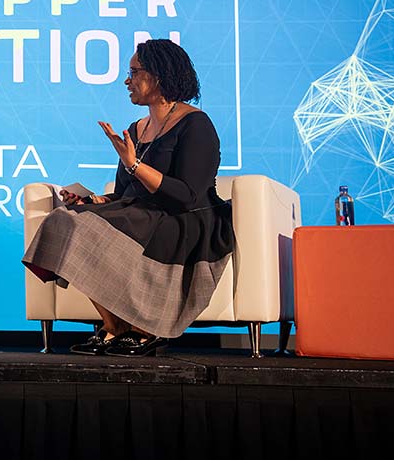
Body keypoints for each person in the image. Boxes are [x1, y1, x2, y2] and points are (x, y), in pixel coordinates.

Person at [22, 39, 235, 357]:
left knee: (88, 225)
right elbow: (124, 195)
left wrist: (134, 164)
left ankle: (145, 329)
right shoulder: (136, 129)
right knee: (65, 219)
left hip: (186, 220)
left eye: (134, 72)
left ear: (159, 76)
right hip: (142, 212)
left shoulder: (196, 124)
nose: (127, 80)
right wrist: (91, 200)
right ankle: (113, 325)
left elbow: (186, 195)